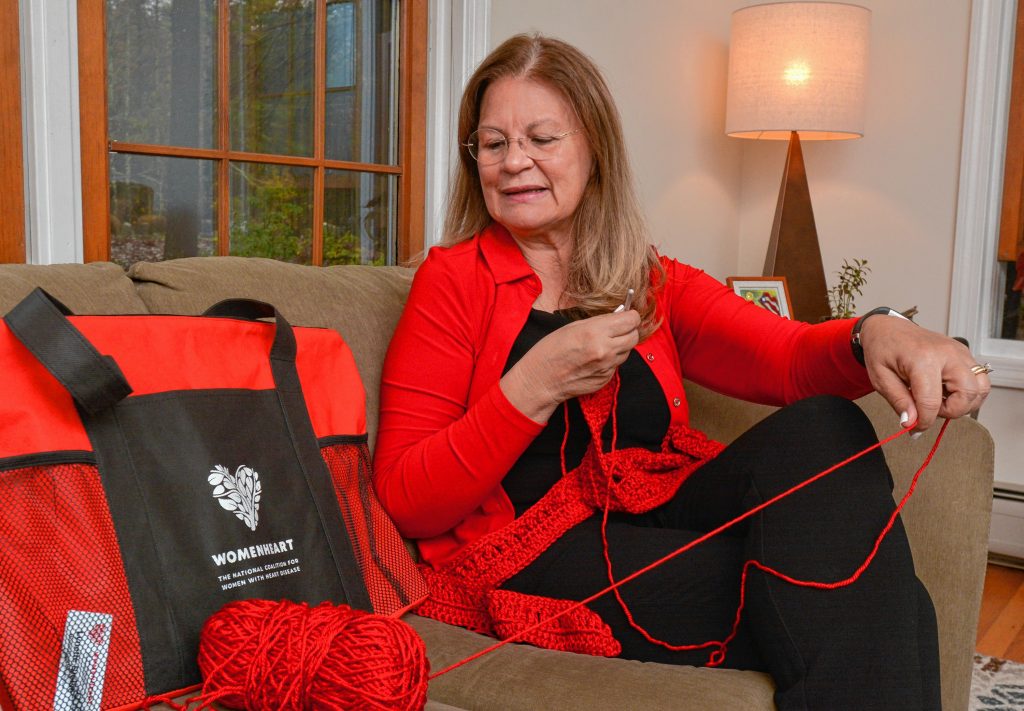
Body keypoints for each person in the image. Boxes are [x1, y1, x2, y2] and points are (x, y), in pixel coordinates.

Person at [372, 33, 990, 710]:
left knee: (827, 423)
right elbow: (405, 495)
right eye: (493, 144)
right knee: (887, 597)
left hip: (659, 507)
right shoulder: (453, 282)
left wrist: (877, 328)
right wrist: (535, 384)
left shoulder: (650, 280)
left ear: (594, 149)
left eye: (542, 138)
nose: (515, 161)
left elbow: (784, 357)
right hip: (530, 552)